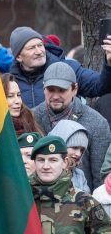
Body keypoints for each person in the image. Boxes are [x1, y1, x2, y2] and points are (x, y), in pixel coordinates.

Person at [31, 62, 110, 190]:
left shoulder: (97, 123)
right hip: (39, 200)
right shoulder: (32, 117)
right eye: (51, 90)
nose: (56, 96)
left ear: (75, 89)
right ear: (44, 89)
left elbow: (99, 177)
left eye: (62, 90)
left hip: (81, 201)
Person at [9, 27, 111, 108]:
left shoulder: (68, 68)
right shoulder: (8, 81)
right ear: (19, 57)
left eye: (40, 45)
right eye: (31, 48)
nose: (39, 51)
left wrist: (109, 64)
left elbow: (100, 86)